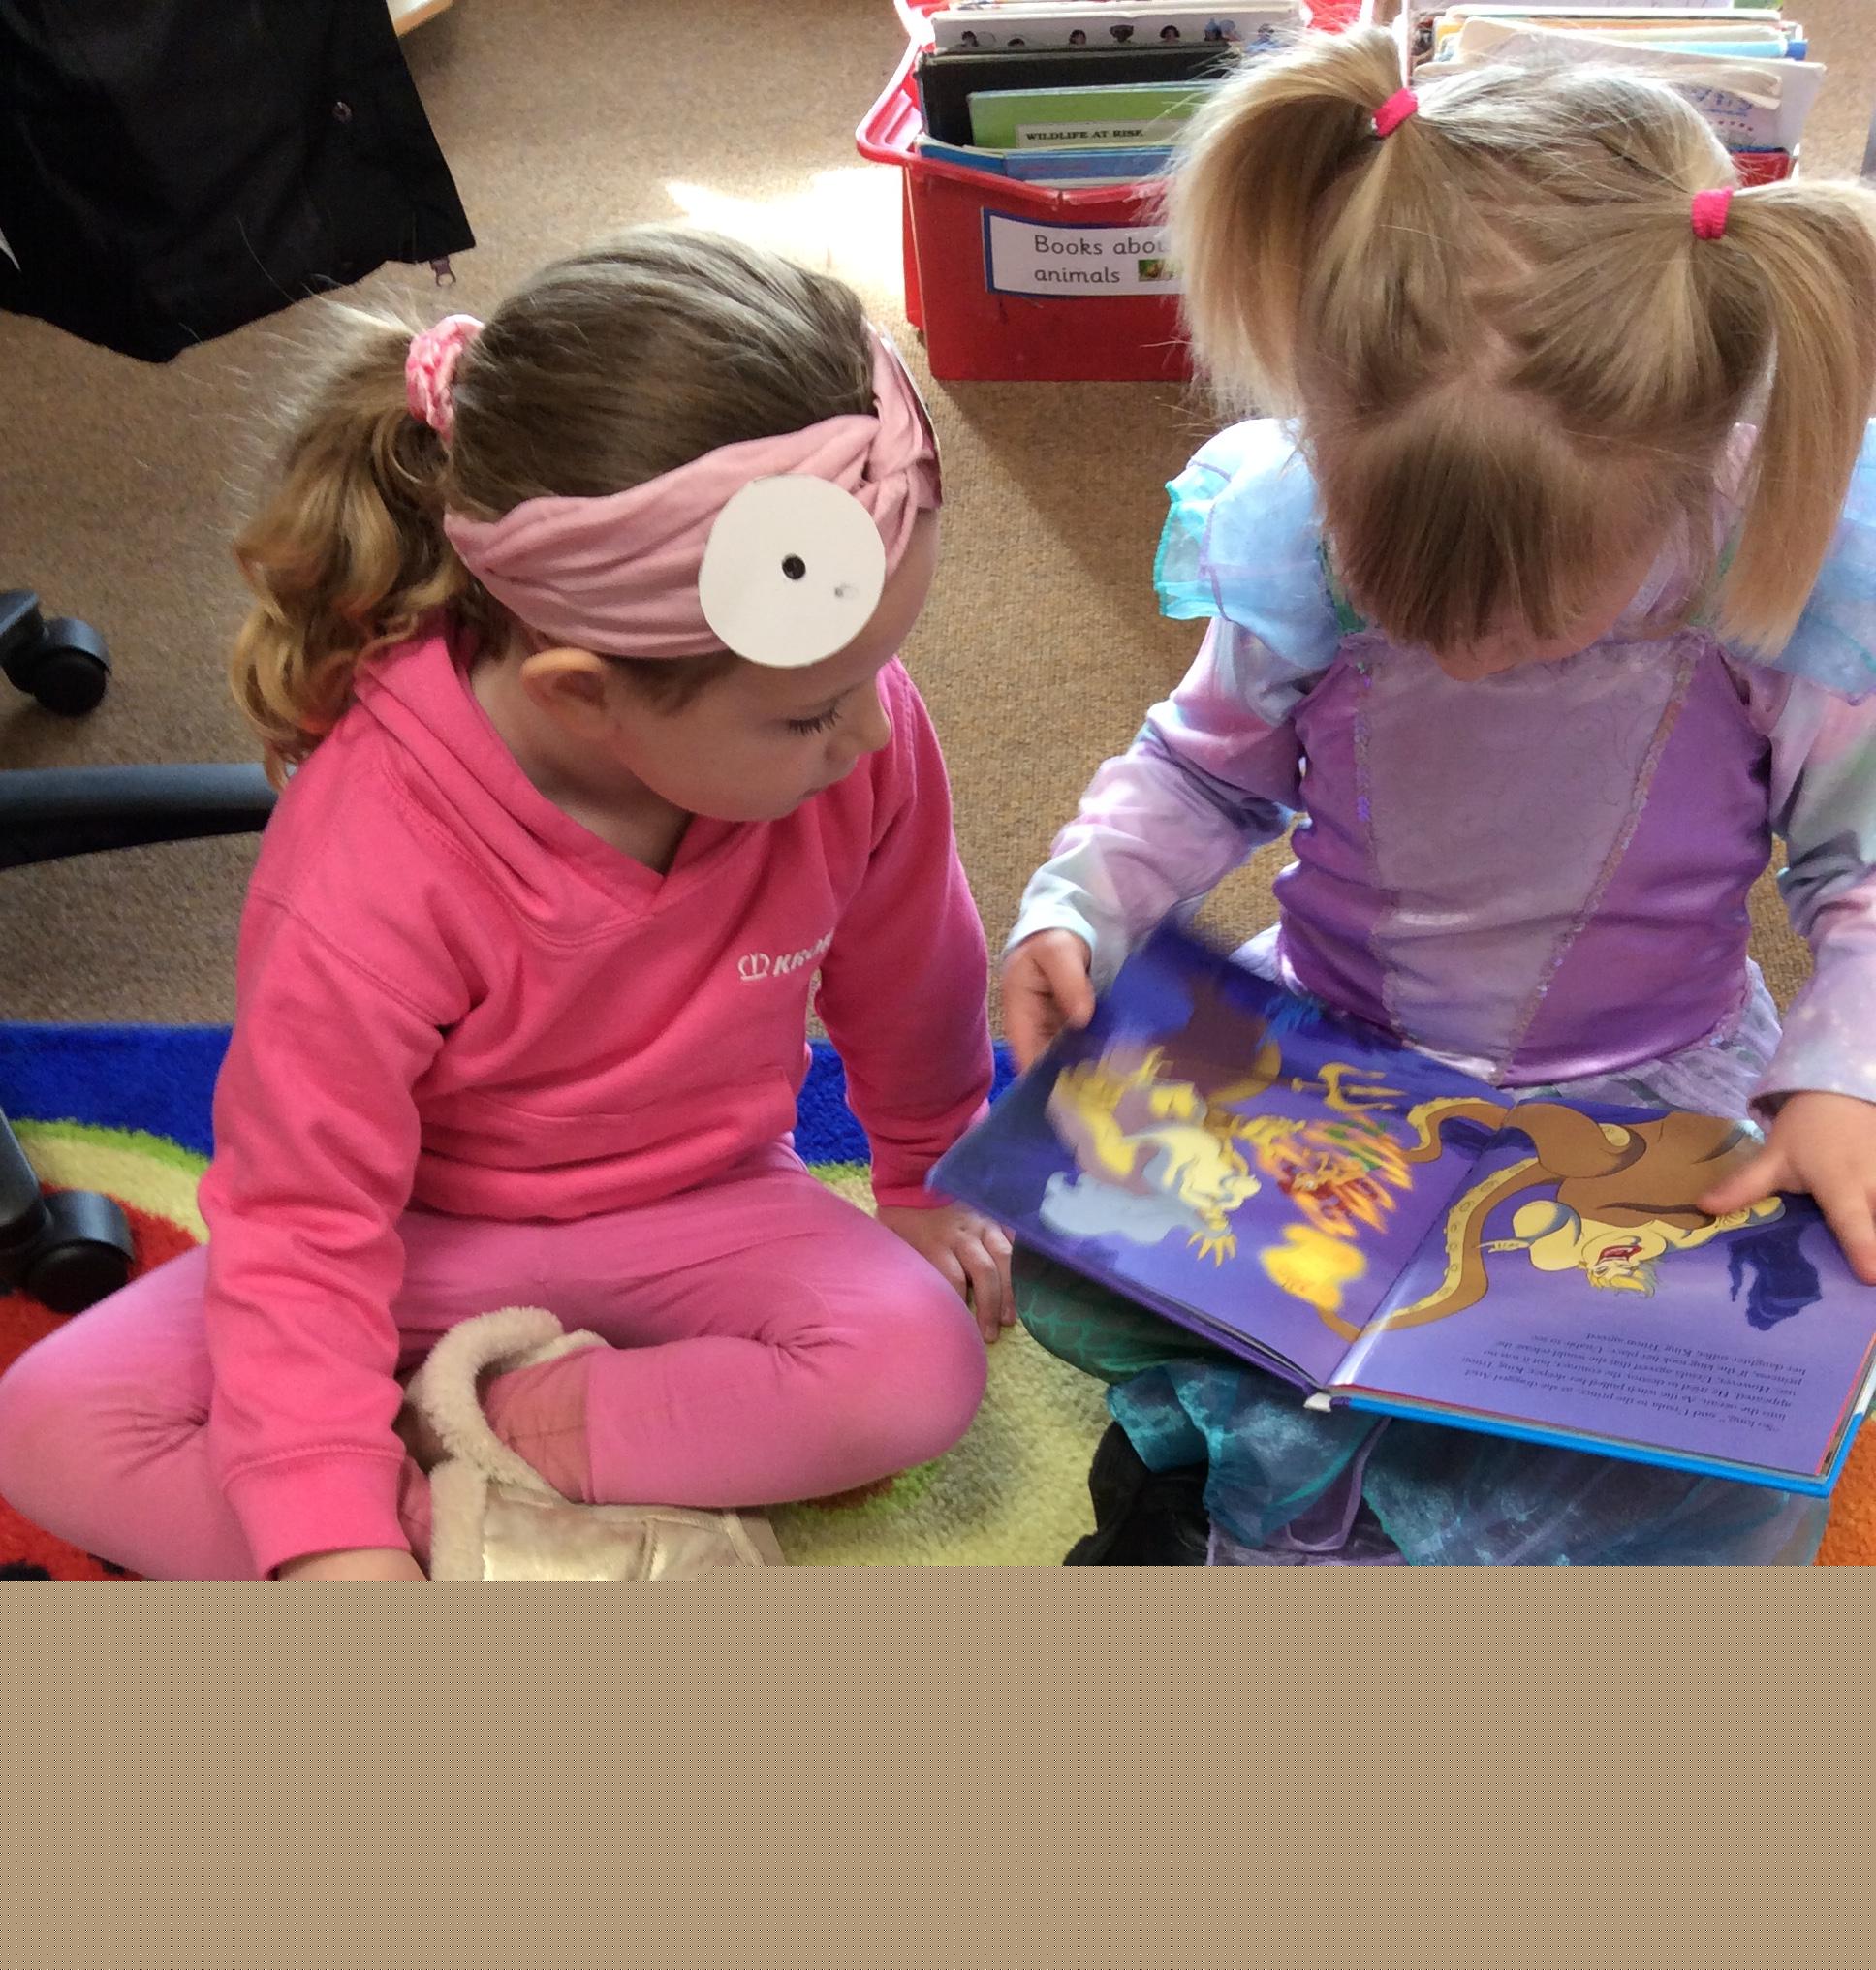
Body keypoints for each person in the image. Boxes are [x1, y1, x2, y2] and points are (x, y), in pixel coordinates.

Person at [0, 231, 1012, 1581]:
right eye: (812, 712)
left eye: (877, 673)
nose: (872, 732)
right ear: (580, 693)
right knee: (53, 1425)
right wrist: (331, 1537)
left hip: (707, 1205)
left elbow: (915, 969)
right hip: (414, 1238)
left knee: (917, 1366)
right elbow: (304, 1221)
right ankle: (467, 1535)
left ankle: (471, 1454)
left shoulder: (852, 729)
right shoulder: (373, 847)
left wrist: (929, 1176)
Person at [1001, 29, 1876, 1567]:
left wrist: (1843, 1078)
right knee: (1097, 1267)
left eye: (1531, 612)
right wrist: (1080, 904)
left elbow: (1860, 873)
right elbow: (1197, 766)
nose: (1462, 647)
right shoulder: (1296, 523)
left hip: (1644, 1092)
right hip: (1329, 1059)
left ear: (1689, 481)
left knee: (1685, 1433)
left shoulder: (1777, 577)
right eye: (1402, 584)